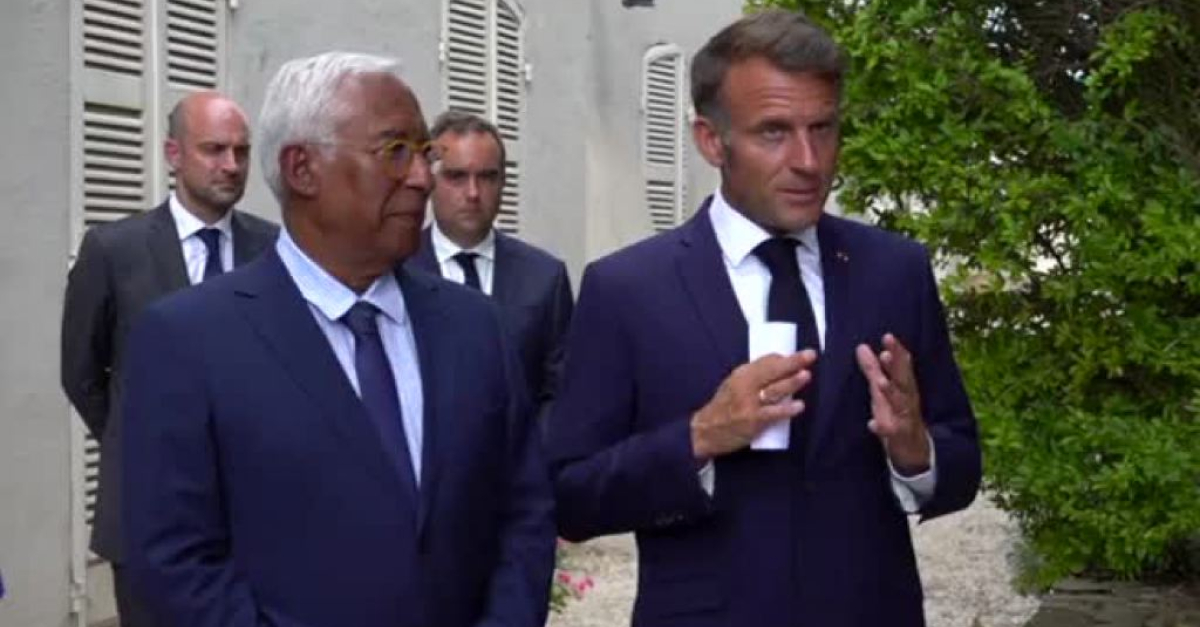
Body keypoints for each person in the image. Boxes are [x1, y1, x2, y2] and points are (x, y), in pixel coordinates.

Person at [547, 9, 981, 627]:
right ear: (710, 141)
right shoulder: (627, 290)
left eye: (822, 128)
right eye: (774, 132)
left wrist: (916, 451)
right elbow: (569, 495)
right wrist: (698, 437)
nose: (809, 160)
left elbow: (961, 464)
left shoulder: (894, 270)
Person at [119, 52, 555, 627]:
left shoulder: (477, 327)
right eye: (395, 151)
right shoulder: (188, 341)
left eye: (423, 153)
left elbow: (523, 513)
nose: (423, 178)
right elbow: (175, 561)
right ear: (302, 169)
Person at [60, 90, 276, 626]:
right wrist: (143, 441)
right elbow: (81, 372)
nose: (232, 165)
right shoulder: (114, 250)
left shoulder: (274, 249)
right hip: (147, 516)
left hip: (255, 516)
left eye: (241, 151)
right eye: (214, 149)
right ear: (173, 154)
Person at [408, 110, 573, 422]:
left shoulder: (543, 279)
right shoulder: (397, 269)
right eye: (456, 176)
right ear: (429, 180)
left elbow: (561, 394)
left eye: (487, 177)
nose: (472, 193)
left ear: (503, 184)